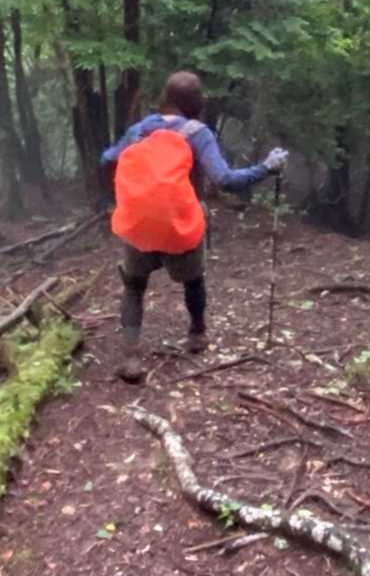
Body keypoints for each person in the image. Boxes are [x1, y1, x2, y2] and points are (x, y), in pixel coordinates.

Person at [100, 71, 286, 383]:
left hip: (138, 223)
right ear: (198, 103)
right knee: (194, 280)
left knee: (134, 286)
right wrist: (266, 168)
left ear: (165, 98)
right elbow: (224, 179)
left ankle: (131, 355)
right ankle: (197, 334)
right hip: (179, 224)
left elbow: (107, 159)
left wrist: (128, 190)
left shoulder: (139, 130)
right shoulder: (198, 133)